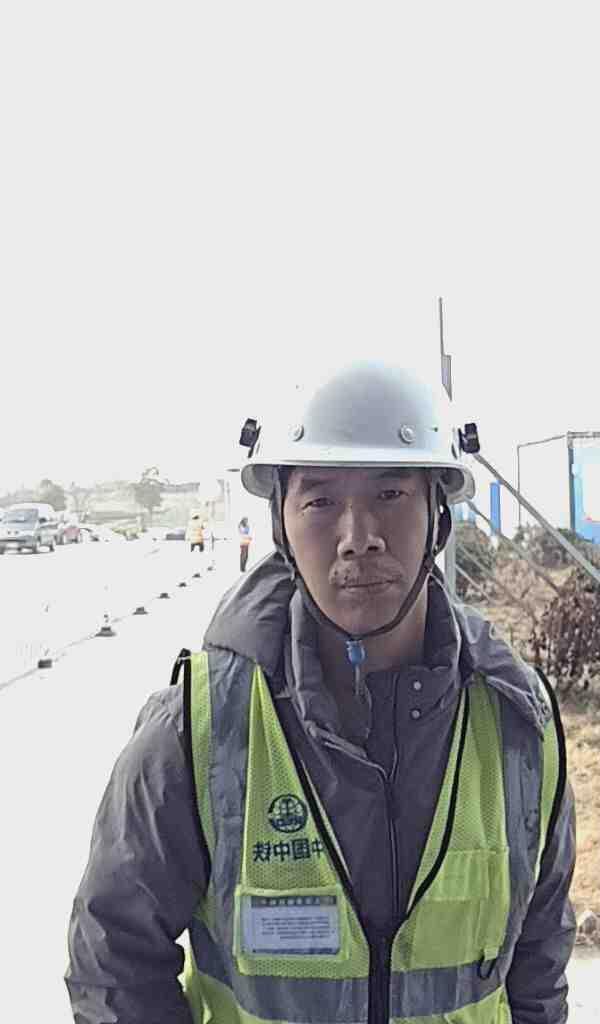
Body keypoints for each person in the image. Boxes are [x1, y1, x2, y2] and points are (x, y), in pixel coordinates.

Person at [65, 360, 576, 1024]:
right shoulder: (198, 732)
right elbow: (114, 965)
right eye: (320, 501)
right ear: (281, 524)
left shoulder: (516, 724)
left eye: (391, 494)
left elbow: (538, 964)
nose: (359, 538)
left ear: (438, 517)